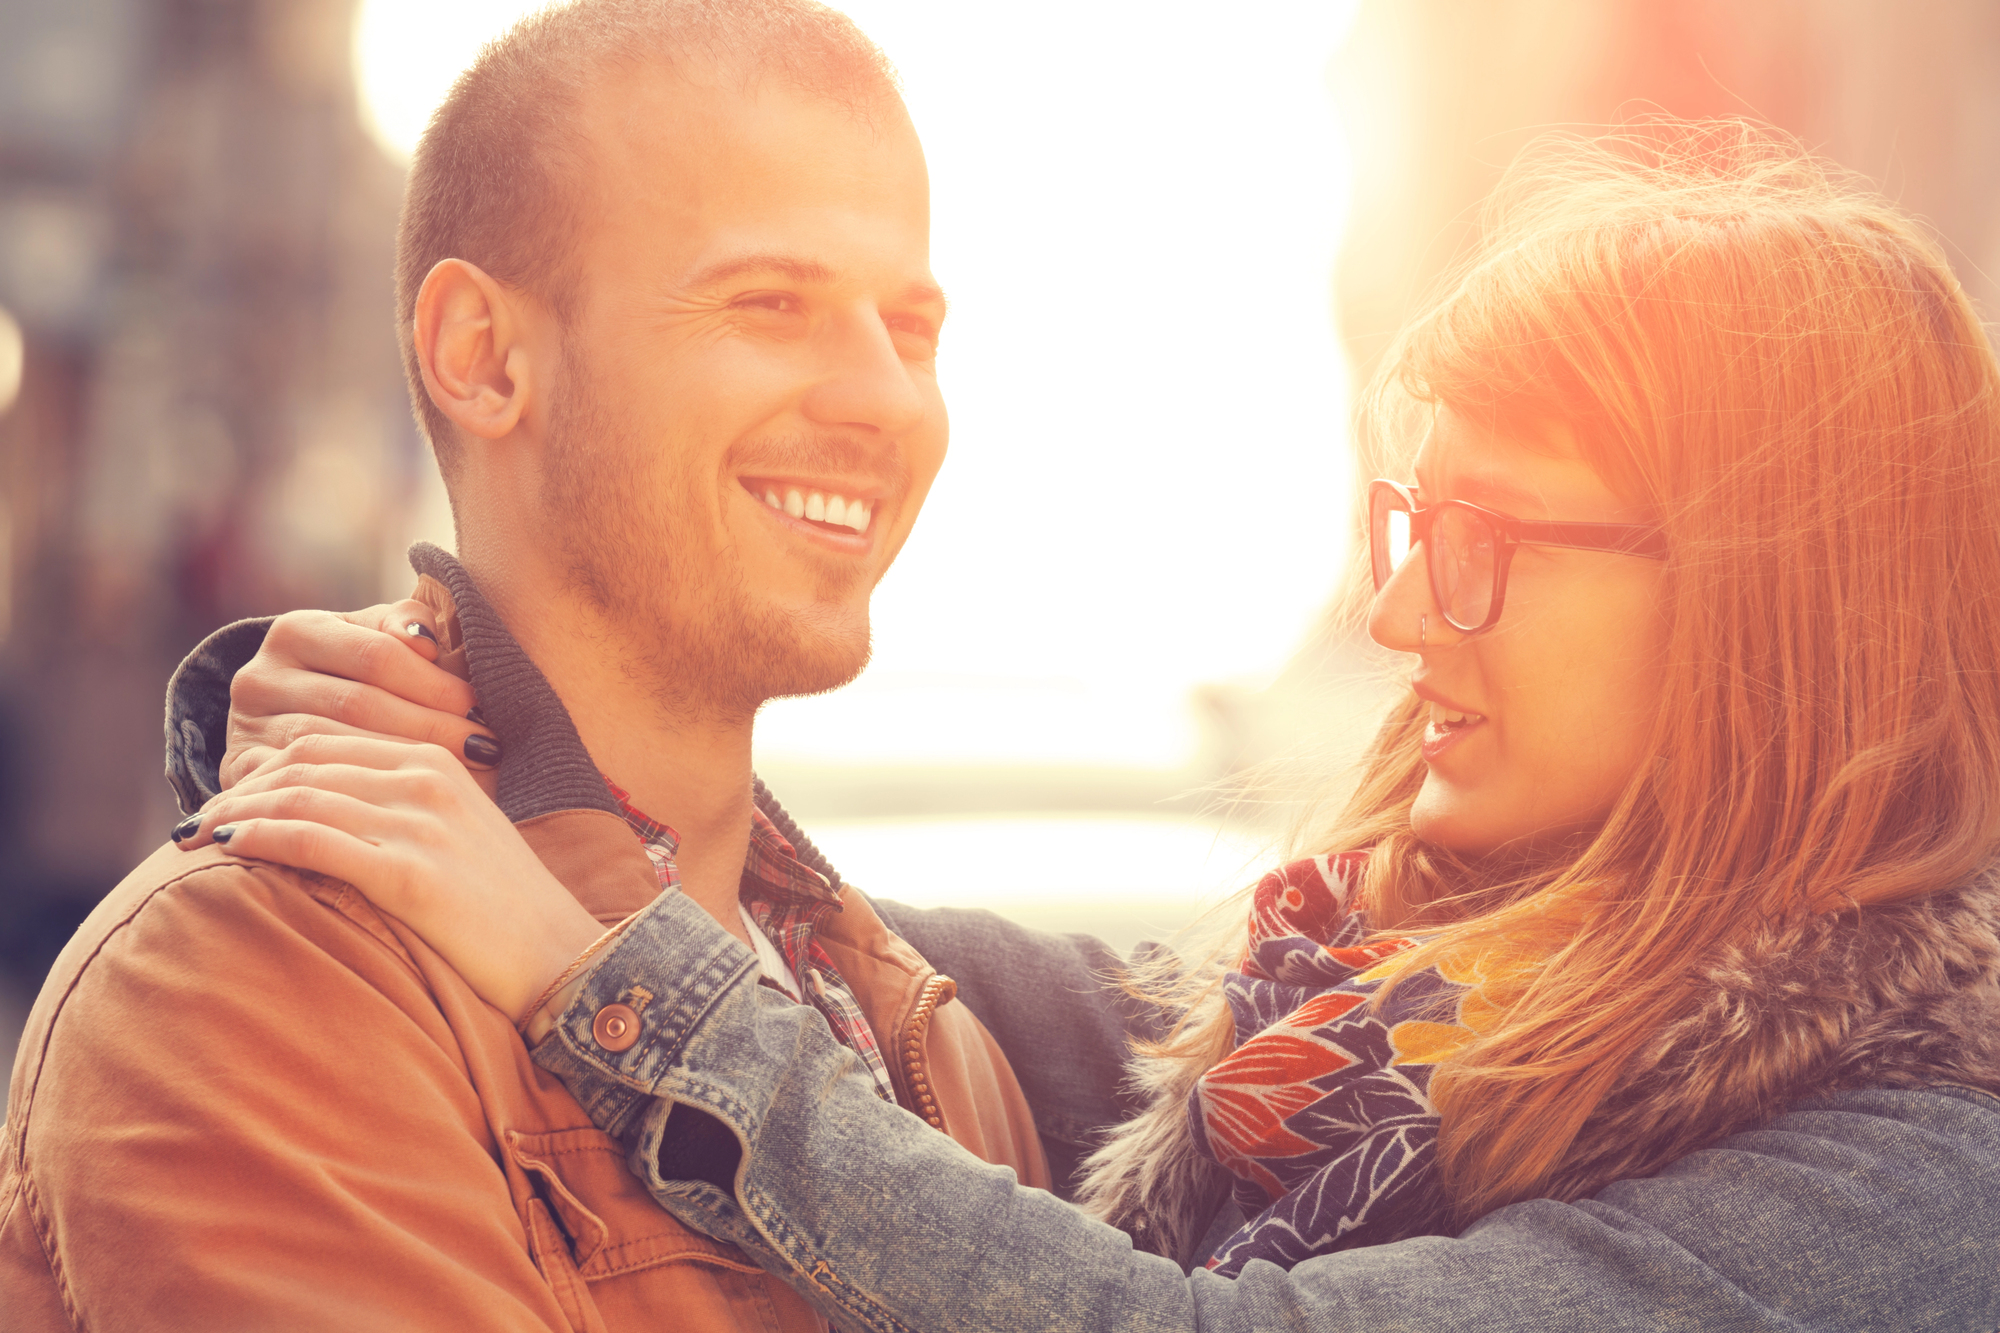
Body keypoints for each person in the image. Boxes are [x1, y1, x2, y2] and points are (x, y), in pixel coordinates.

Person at [172, 124, 2000, 1330]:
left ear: (1774, 603)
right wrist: (440, 709)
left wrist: (589, 955)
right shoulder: (1369, 1035)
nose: (1398, 612)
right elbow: (868, 975)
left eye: (1489, 540)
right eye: (1405, 523)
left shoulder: (1920, 1187)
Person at [0, 4, 1059, 1329]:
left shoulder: (919, 1028)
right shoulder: (250, 983)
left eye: (910, 328)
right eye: (771, 301)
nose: (889, 396)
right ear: (483, 356)